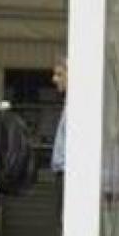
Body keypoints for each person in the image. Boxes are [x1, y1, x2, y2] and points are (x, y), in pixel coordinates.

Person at [50, 55, 67, 222]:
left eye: (59, 74)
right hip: (63, 174)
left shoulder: (80, 105)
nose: (54, 79)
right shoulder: (69, 103)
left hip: (70, 174)